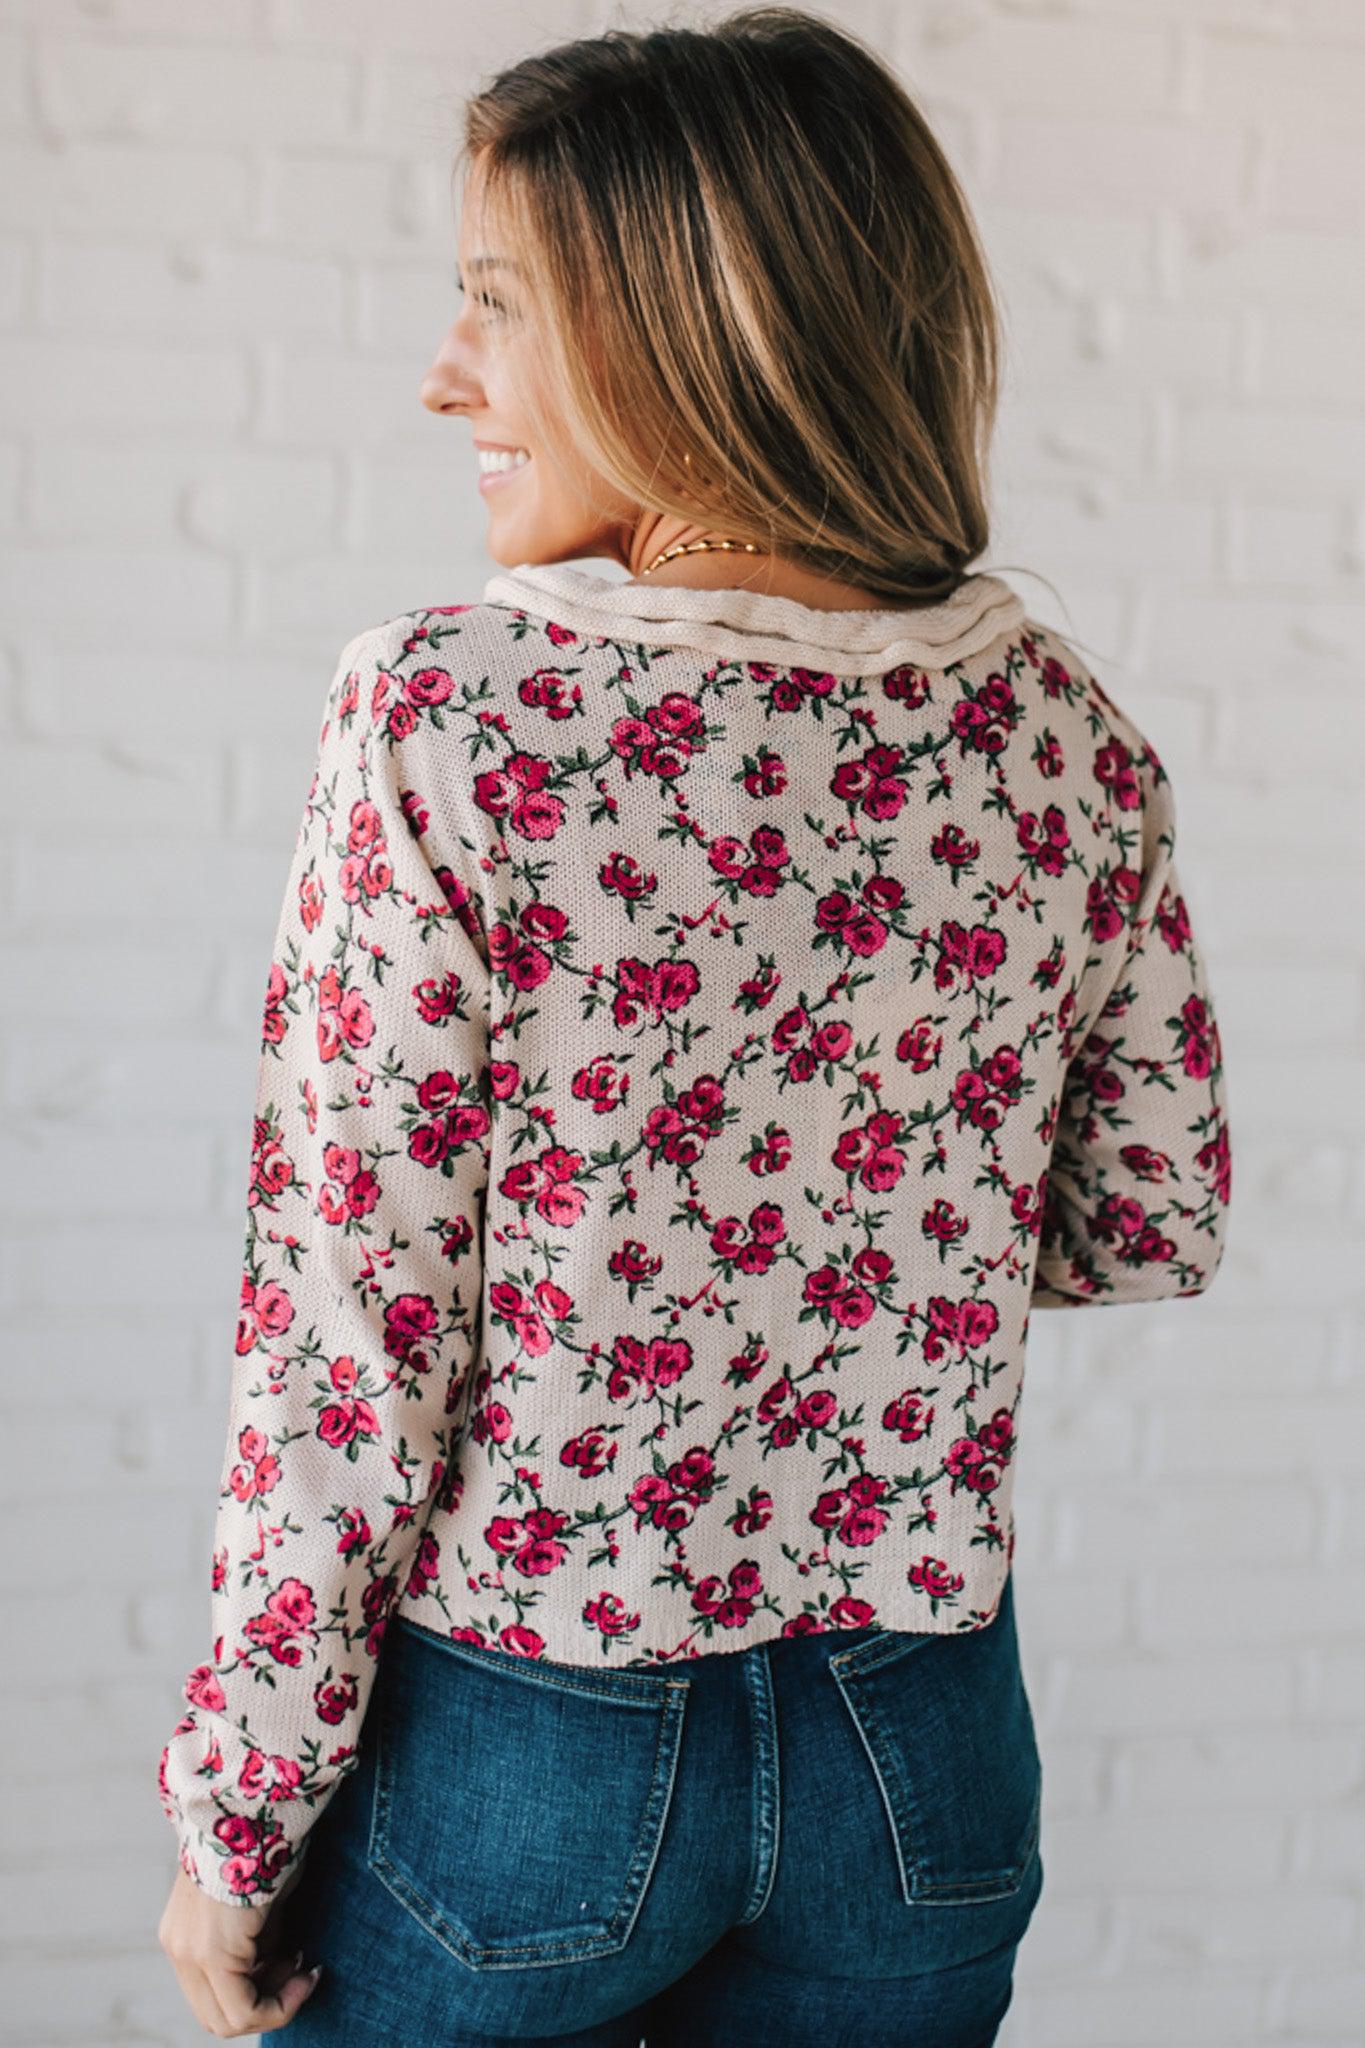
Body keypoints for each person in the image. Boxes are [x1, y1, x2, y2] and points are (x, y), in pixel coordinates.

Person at [154, 9, 1234, 2042]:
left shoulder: (447, 712)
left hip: (531, 1753)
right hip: (920, 1743)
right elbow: (1142, 1219)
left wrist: (235, 1815)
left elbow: (346, 1331)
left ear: (687, 324)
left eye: (494, 303)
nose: (440, 372)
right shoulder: (1057, 734)